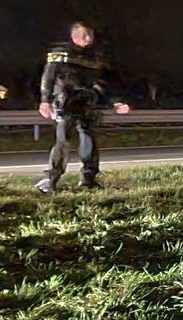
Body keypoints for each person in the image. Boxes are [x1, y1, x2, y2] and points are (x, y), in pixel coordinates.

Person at [34, 22, 130, 193]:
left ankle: (88, 179)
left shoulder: (96, 57)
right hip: (66, 101)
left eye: (90, 35)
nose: (88, 39)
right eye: (84, 35)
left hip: (88, 101)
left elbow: (106, 81)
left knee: (89, 141)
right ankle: (51, 180)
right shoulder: (60, 53)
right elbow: (48, 77)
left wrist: (117, 101)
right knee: (62, 141)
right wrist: (45, 100)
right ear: (73, 35)